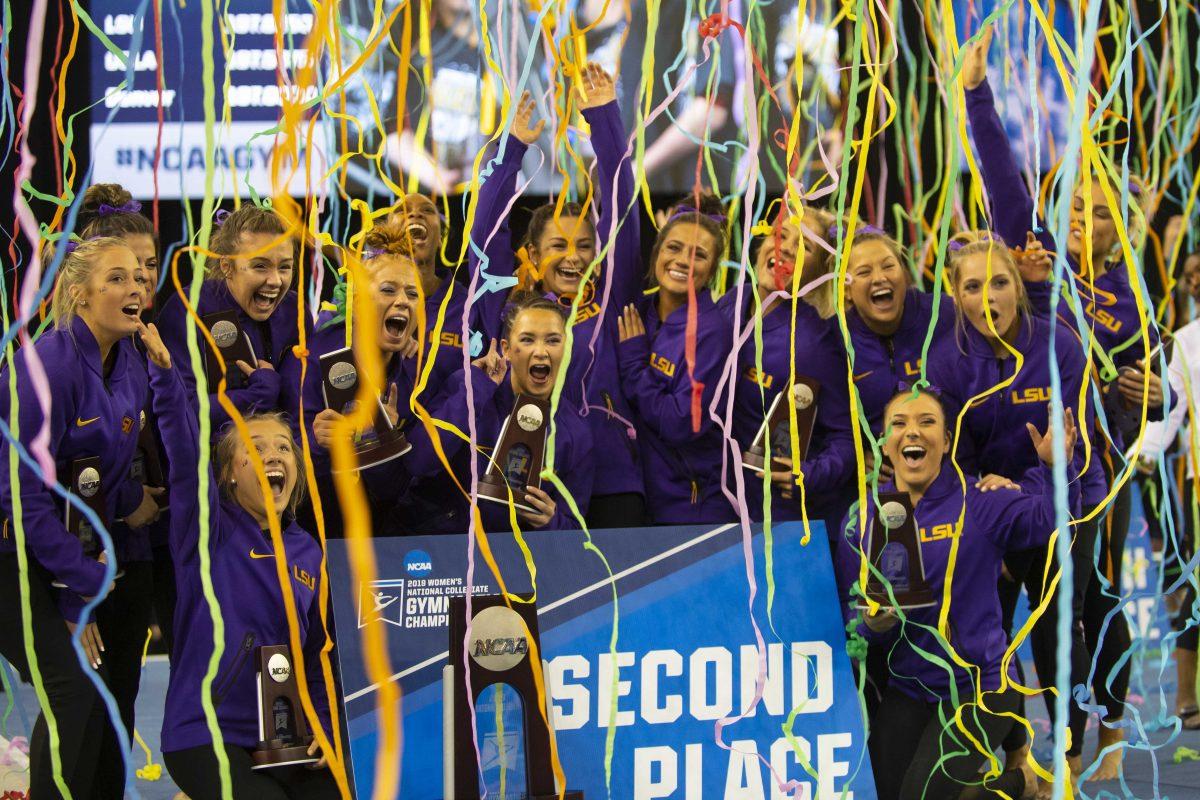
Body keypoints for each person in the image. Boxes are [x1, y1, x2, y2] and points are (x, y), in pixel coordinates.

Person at [962, 26, 1166, 779]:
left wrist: (1151, 391)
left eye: (1101, 214)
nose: (1084, 223)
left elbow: (1158, 384)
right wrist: (976, 94)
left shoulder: (1131, 294)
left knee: (1087, 592)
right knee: (1039, 606)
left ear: (1125, 227)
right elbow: (1002, 180)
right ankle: (1063, 735)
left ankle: (1102, 729)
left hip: (1091, 474)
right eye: (1076, 208)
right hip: (1009, 467)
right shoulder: (1033, 260)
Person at [924, 231, 1104, 777]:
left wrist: (1025, 497)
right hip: (987, 510)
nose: (988, 299)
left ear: (1018, 288)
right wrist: (994, 512)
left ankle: (1069, 758)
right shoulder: (947, 363)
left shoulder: (1059, 346)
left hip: (1065, 495)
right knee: (989, 632)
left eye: (999, 283)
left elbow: (1074, 447)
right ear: (956, 294)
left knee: (1056, 628)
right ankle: (1015, 760)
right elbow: (954, 462)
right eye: (973, 286)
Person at [843, 386, 1079, 800]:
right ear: (884, 441)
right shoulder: (867, 517)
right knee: (885, 794)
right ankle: (1019, 785)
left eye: (927, 422)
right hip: (911, 690)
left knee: (925, 797)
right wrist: (872, 624)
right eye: (899, 424)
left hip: (982, 687)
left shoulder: (982, 499)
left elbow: (1050, 520)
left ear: (947, 440)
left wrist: (1054, 468)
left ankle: (1019, 778)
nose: (912, 432)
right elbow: (864, 631)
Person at [140, 320, 339, 799]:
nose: (275, 456)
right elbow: (186, 453)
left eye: (284, 448)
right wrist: (167, 380)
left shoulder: (309, 551)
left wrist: (324, 731)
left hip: (283, 737)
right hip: (204, 732)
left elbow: (315, 656)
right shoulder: (208, 526)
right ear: (228, 475)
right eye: (256, 448)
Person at [0, 237, 160, 798]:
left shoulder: (131, 362)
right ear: (78, 293)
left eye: (139, 277)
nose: (135, 288)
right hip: (9, 550)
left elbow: (96, 488)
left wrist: (78, 592)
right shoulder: (47, 369)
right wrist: (82, 586)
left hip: (58, 551)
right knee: (69, 688)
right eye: (116, 278)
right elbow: (22, 498)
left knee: (94, 693)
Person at [472, 64, 645, 527]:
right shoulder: (512, 315)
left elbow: (622, 218)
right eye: (559, 246)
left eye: (585, 246)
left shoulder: (611, 302)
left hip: (611, 483)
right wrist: (512, 152)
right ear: (531, 252)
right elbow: (485, 243)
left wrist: (605, 120)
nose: (574, 257)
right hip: (523, 478)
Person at [74, 183, 166, 797]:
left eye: (149, 269)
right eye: (127, 272)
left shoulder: (144, 345)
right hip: (70, 559)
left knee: (122, 700)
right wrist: (129, 502)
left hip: (134, 556)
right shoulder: (48, 357)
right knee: (80, 712)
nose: (140, 285)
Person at [399, 294, 594, 532]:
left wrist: (552, 522)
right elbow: (419, 461)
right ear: (507, 349)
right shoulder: (470, 386)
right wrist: (478, 391)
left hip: (509, 558)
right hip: (438, 544)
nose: (541, 352)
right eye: (528, 340)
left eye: (553, 341)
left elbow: (574, 533)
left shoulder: (575, 432)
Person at [281, 223, 424, 536]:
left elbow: (399, 486)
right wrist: (319, 445)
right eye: (388, 290)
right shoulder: (311, 360)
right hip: (315, 537)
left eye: (412, 294)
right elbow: (284, 474)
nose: (403, 301)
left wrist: (388, 439)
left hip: (383, 539)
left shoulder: (413, 372)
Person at [722, 206, 854, 534]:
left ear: (817, 271)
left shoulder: (812, 344)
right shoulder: (728, 306)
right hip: (719, 507)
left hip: (778, 520)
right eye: (781, 235)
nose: (787, 248)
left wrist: (808, 475)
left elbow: (845, 437)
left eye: (805, 246)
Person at [617, 208, 735, 524]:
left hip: (690, 506)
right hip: (640, 499)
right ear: (656, 253)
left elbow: (682, 422)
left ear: (711, 271)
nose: (682, 260)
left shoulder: (711, 333)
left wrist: (635, 367)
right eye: (673, 247)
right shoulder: (639, 312)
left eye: (698, 255)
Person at [156, 203, 306, 446]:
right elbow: (180, 412)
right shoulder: (188, 309)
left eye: (285, 267)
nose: (275, 281)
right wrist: (257, 394)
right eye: (260, 266)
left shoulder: (294, 311)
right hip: (210, 469)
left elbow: (303, 406)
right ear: (227, 266)